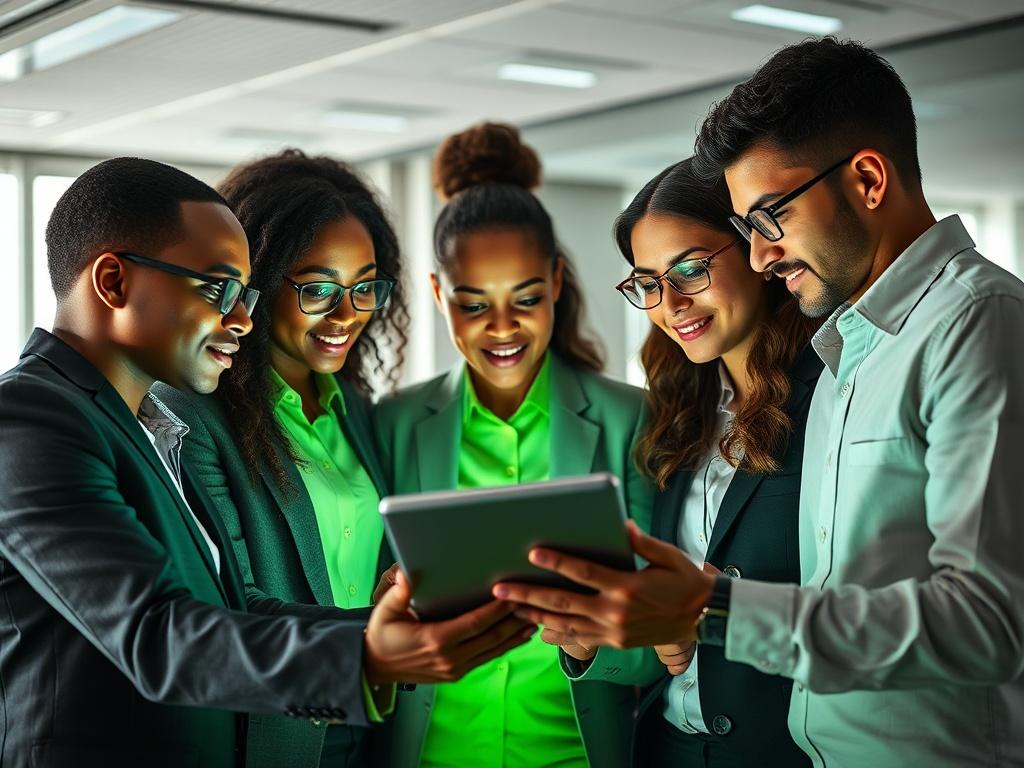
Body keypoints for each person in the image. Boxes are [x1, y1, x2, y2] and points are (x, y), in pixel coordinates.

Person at [493, 38, 1024, 767]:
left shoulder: (979, 321)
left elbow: (993, 623)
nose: (763, 256)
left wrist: (711, 609)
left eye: (770, 219)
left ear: (867, 179)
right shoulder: (853, 350)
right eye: (747, 231)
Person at [0, 157, 535, 768]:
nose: (243, 319)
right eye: (219, 288)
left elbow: (232, 609)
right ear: (115, 282)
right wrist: (370, 658)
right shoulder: (29, 419)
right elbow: (155, 632)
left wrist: (384, 625)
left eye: (246, 293)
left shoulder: (145, 425)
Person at [374, 122, 654, 768]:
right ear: (440, 295)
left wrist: (589, 643)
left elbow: (662, 636)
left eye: (526, 299)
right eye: (474, 306)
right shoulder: (392, 423)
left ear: (557, 281)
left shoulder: (629, 419)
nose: (502, 329)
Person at [553, 157, 818, 767]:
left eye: (690, 270)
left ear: (756, 248)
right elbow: (667, 630)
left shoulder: (833, 400)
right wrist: (598, 640)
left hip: (783, 751)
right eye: (647, 282)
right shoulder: (678, 415)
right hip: (670, 747)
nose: (669, 303)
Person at [153, 149, 409, 768]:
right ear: (258, 282)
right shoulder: (192, 414)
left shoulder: (356, 408)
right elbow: (227, 602)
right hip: (272, 732)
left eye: (364, 288)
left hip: (373, 720)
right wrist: (372, 631)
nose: (346, 314)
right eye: (318, 288)